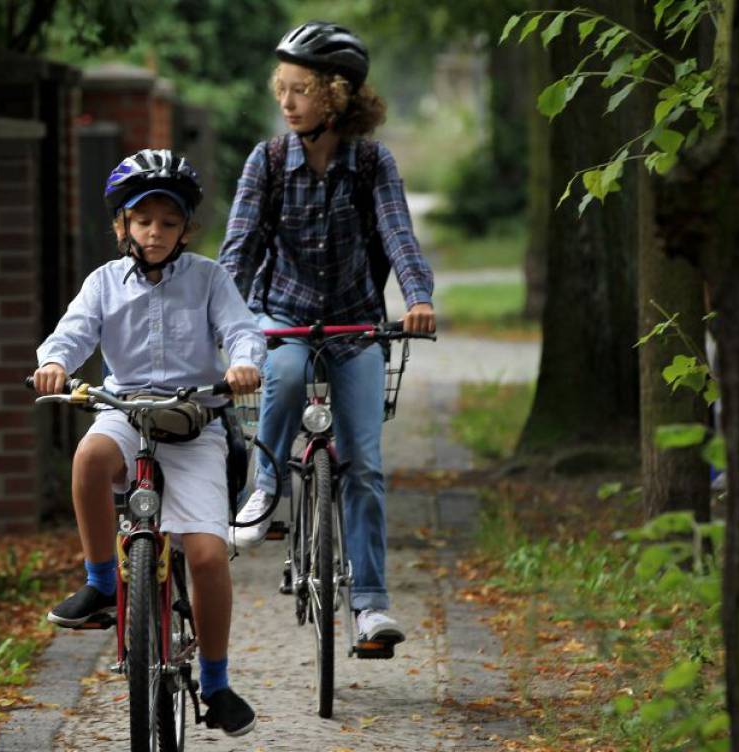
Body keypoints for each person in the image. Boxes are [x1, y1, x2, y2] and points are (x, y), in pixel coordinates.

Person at [219, 20, 436, 654]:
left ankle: (369, 607)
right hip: (280, 315)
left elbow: (397, 234)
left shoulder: (372, 162)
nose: (285, 102)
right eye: (281, 89)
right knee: (282, 378)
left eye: (300, 90)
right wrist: (220, 317)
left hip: (354, 323)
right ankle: (263, 487)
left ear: (335, 97)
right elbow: (239, 250)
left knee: (364, 462)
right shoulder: (266, 161)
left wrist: (417, 297)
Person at [33, 148, 265, 736]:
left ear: (186, 228)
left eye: (168, 222)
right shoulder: (104, 283)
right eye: (143, 221)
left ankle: (216, 683)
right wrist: (55, 363)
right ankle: (102, 585)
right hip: (126, 413)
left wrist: (242, 364)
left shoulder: (210, 278)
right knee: (88, 456)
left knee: (209, 556)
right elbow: (72, 332)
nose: (155, 232)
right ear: (123, 227)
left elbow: (241, 331)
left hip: (194, 424)